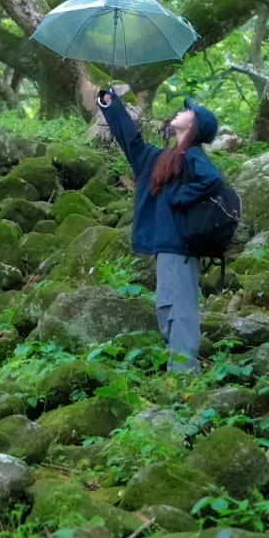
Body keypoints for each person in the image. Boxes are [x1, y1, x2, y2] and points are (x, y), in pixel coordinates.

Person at [96, 86, 223, 374]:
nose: (181, 110)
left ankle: (184, 376)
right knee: (166, 309)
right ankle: (181, 371)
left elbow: (213, 180)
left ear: (195, 125)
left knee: (180, 310)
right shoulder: (164, 158)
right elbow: (132, 143)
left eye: (188, 110)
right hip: (165, 246)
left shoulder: (192, 154)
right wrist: (112, 105)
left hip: (181, 246)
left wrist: (181, 197)